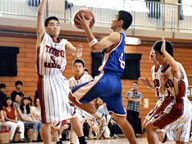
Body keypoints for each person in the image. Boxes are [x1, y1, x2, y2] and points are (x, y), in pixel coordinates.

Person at [69, 10, 138, 144]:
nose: (112, 20)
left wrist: (86, 27)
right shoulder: (121, 38)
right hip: (116, 83)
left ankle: (99, 117)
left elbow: (95, 47)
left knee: (71, 96)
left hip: (106, 78)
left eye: (115, 17)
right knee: (121, 119)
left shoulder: (116, 35)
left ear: (120, 22)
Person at [36, 0, 86, 144]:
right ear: (46, 27)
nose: (55, 27)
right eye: (52, 24)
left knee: (73, 111)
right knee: (48, 121)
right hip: (46, 80)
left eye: (58, 25)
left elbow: (75, 53)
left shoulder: (63, 42)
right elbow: (40, 13)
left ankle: (82, 141)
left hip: (60, 80)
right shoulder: (42, 37)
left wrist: (78, 52)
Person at [145, 38, 192, 144]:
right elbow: (162, 92)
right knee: (180, 142)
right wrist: (163, 83)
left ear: (164, 54)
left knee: (150, 128)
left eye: (157, 54)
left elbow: (174, 66)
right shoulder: (163, 70)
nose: (155, 57)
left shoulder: (176, 66)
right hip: (182, 108)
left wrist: (165, 51)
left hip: (180, 107)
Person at [139, 50, 167, 143]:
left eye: (154, 53)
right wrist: (149, 85)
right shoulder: (152, 69)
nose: (151, 54)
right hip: (159, 101)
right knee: (146, 125)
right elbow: (157, 88)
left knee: (153, 128)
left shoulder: (162, 68)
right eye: (150, 53)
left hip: (166, 101)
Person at [68, 58, 93, 143]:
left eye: (80, 66)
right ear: (72, 68)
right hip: (76, 106)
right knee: (74, 127)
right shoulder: (69, 81)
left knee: (95, 128)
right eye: (76, 66)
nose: (78, 68)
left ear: (83, 68)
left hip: (87, 105)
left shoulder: (88, 78)